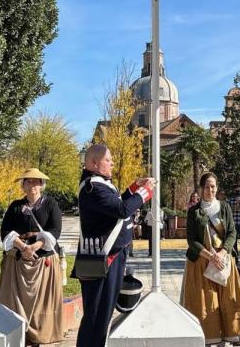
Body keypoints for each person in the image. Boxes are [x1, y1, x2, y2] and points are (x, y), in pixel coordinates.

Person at [73, 144, 154, 347]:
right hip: (101, 261)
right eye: (108, 160)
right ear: (94, 162)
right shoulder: (92, 187)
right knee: (97, 317)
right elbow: (122, 209)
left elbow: (115, 203)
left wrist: (134, 187)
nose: (112, 163)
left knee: (104, 315)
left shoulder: (101, 184)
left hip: (110, 258)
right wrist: (145, 193)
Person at [0, 168, 65, 345]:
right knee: (14, 301)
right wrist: (22, 246)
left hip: (43, 261)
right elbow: (5, 231)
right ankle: (18, 334)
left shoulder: (51, 205)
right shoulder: (15, 206)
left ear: (42, 185)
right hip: (18, 262)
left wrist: (36, 246)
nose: (32, 185)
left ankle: (39, 336)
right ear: (23, 185)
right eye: (28, 181)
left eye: (36, 182)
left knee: (41, 305)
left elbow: (55, 230)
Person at [182, 172, 240, 345]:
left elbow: (232, 232)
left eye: (213, 186)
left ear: (217, 188)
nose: (210, 190)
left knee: (229, 300)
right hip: (202, 261)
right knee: (205, 302)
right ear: (200, 188)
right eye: (206, 186)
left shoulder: (224, 207)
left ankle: (232, 335)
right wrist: (211, 256)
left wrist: (222, 253)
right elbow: (191, 240)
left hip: (224, 260)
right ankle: (210, 337)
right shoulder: (194, 211)